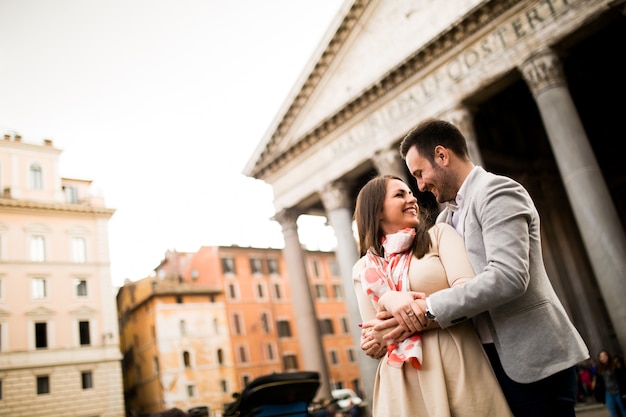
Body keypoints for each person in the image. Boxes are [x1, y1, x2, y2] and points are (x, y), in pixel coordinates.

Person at [384, 118, 589, 417]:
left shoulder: (497, 191)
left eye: (419, 173)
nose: (420, 186)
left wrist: (428, 307)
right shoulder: (444, 222)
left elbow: (509, 277)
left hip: (533, 360)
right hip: (487, 364)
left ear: (442, 156)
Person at [353, 174, 512, 416]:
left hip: (455, 361)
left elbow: (469, 291)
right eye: (399, 194)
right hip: (401, 380)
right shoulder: (362, 269)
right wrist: (388, 302)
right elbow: (375, 335)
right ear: (376, 212)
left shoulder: (440, 235)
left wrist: (403, 310)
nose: (412, 198)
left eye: (410, 192)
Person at [594, 350, 626, 417]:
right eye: (601, 357)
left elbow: (621, 380)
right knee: (612, 410)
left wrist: (624, 392)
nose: (603, 358)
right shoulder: (599, 370)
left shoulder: (614, 367)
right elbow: (599, 383)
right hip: (608, 392)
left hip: (618, 391)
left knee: (623, 409)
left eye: (604, 356)